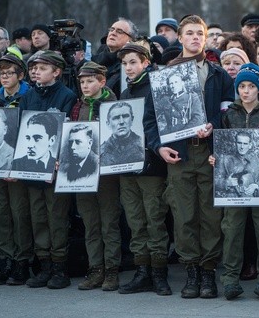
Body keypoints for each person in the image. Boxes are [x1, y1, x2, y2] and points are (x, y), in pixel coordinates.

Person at [145, 14, 234, 299]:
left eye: (200, 33)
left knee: (210, 215)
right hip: (180, 154)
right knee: (183, 216)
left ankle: (208, 272)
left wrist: (215, 129)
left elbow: (228, 115)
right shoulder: (162, 76)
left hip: (209, 154)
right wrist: (158, 146)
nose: (195, 38)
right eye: (190, 33)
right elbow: (150, 120)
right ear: (180, 38)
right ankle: (191, 271)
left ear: (205, 39)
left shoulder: (218, 75)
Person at [208, 63, 259, 301]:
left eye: (250, 86)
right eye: (242, 86)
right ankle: (230, 280)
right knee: (232, 231)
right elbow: (222, 146)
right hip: (232, 189)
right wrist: (215, 157)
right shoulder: (229, 115)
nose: (246, 91)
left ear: (258, 88)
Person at [17, 51, 77, 290]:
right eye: (34, 68)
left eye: (42, 68)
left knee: (57, 217)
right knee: (38, 216)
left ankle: (60, 267)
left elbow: (69, 130)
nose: (36, 71)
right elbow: (21, 130)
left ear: (56, 71)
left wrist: (59, 157)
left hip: (55, 168)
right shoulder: (28, 97)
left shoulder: (67, 96)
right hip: (32, 168)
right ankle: (44, 266)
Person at [116, 43, 171, 296]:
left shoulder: (156, 88)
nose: (128, 67)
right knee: (136, 221)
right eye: (125, 63)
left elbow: (162, 125)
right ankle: (142, 271)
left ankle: (159, 273)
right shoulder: (126, 93)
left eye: (133, 62)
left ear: (146, 63)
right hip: (128, 167)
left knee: (154, 218)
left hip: (151, 165)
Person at [69, 61, 121, 292]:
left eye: (90, 81)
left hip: (107, 174)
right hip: (83, 173)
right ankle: (95, 268)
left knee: (109, 222)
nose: (85, 85)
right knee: (90, 223)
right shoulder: (77, 106)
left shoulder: (112, 105)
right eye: (82, 81)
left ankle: (112, 270)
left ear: (102, 81)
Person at [0, 53, 33, 286]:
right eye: (1, 74)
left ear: (21, 75)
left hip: (19, 165)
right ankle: (5, 259)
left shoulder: (29, 96)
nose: (4, 77)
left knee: (19, 213)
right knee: (0, 213)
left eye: (9, 73)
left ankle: (22, 260)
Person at [92, 18, 138, 97]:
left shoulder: (132, 66)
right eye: (111, 29)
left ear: (131, 40)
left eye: (119, 31)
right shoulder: (93, 61)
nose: (113, 33)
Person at [157, 72, 205, 136]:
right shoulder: (165, 99)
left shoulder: (192, 97)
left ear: (182, 83)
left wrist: (180, 134)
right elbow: (153, 113)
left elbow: (198, 120)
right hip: (168, 135)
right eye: (171, 83)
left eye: (176, 82)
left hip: (187, 135)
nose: (173, 86)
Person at [99, 101, 144, 167]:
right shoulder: (101, 152)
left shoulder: (142, 145)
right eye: (116, 118)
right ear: (108, 124)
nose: (121, 122)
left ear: (132, 120)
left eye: (125, 116)